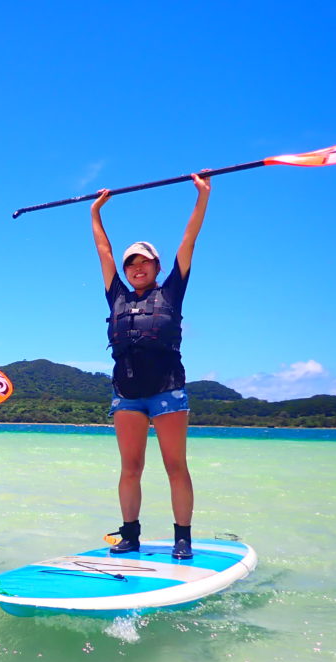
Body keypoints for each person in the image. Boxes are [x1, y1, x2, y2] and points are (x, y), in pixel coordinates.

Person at [90, 173, 212, 559]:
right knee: (131, 467)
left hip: (167, 391)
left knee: (175, 465)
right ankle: (130, 535)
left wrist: (202, 196)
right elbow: (104, 252)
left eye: (144, 262)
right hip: (127, 394)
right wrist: (96, 212)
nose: (136, 268)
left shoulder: (171, 290)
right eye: (132, 264)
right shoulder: (117, 298)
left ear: (157, 266)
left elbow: (188, 241)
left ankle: (182, 537)